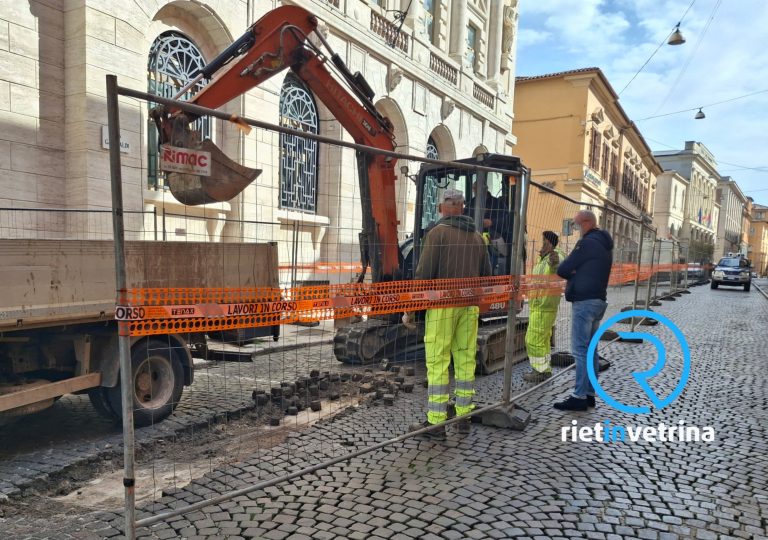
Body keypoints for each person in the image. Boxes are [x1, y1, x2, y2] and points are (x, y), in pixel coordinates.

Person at [409, 188, 492, 439]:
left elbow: (423, 275)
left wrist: (411, 310)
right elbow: (487, 276)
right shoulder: (478, 237)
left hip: (443, 308)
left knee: (438, 361)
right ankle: (463, 417)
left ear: (444, 207)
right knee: (466, 358)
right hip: (469, 307)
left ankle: (435, 423)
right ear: (463, 208)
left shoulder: (437, 234)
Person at [554, 210, 613, 411]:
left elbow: (562, 269)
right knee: (592, 350)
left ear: (587, 223)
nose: (577, 230)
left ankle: (578, 396)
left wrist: (574, 271)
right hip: (598, 300)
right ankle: (589, 393)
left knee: (580, 351)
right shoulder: (604, 244)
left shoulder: (587, 243)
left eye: (577, 225)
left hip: (584, 302)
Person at [523, 231, 566, 382]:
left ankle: (540, 371)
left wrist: (554, 262)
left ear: (549, 242)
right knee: (542, 340)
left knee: (532, 340)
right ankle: (545, 368)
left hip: (544, 306)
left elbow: (557, 265)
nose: (542, 244)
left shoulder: (555, 255)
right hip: (539, 305)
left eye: (544, 241)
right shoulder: (542, 259)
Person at [466, 182, 510, 274]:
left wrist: (492, 222)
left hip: (493, 243)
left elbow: (507, 220)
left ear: (485, 189)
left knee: (489, 266)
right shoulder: (471, 203)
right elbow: (465, 217)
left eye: (476, 189)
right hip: (473, 241)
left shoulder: (498, 204)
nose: (474, 191)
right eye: (474, 189)